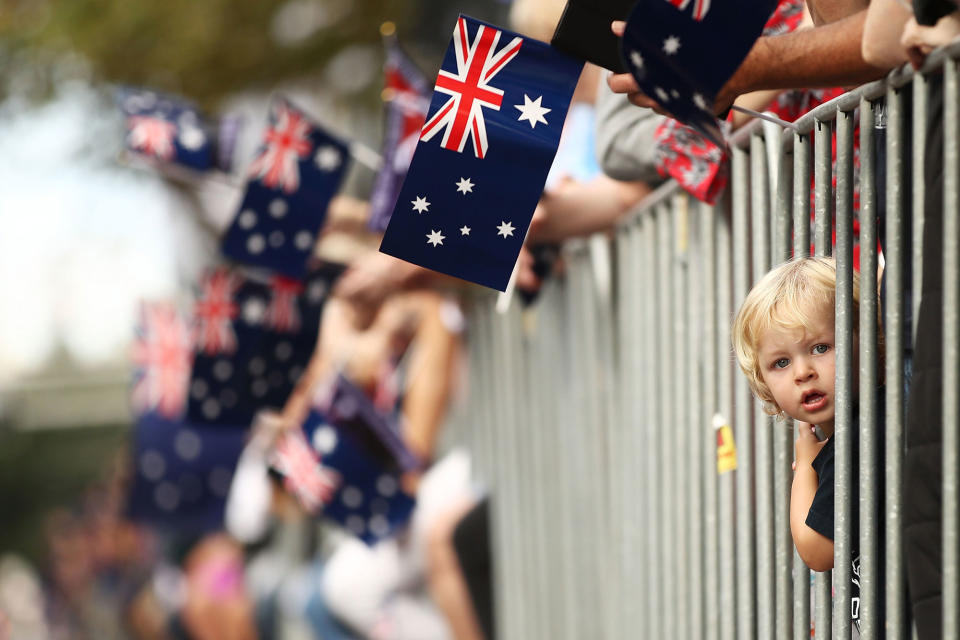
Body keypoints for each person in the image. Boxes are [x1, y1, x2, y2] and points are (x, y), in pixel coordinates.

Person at [731, 257, 878, 633]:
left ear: (869, 336)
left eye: (820, 348)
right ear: (762, 381)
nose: (802, 372)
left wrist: (804, 469)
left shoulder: (859, 440)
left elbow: (815, 549)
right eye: (780, 362)